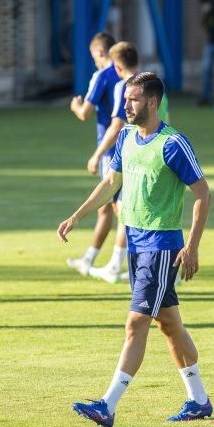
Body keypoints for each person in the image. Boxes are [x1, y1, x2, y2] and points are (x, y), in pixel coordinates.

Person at [58, 72, 213, 427]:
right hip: (135, 241)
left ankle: (107, 405)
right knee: (170, 324)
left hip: (161, 244)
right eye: (126, 98)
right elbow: (110, 183)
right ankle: (199, 401)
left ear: (153, 103)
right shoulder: (126, 137)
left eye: (133, 100)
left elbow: (204, 194)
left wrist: (192, 246)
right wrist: (76, 217)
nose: (126, 105)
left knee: (136, 322)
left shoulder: (173, 144)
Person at [86, 41, 172, 284]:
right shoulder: (155, 85)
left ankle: (119, 264)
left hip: (133, 152)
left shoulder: (125, 87)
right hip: (156, 148)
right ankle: (152, 264)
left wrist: (97, 154)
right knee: (146, 207)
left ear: (116, 63)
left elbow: (117, 125)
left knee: (127, 210)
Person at [66, 32, 120, 276]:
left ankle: (121, 264)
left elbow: (85, 113)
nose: (94, 61)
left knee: (120, 208)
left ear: (100, 52)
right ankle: (89, 259)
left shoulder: (102, 75)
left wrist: (74, 105)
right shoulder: (123, 73)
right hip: (124, 143)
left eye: (93, 57)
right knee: (105, 208)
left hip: (109, 148)